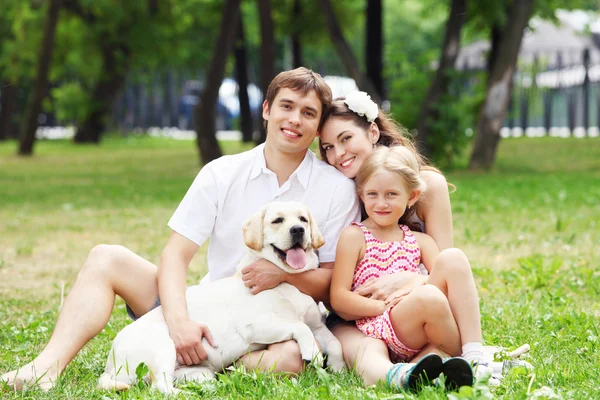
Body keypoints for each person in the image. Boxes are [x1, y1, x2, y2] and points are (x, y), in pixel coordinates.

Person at [1, 67, 361, 391]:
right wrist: (179, 322)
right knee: (106, 258)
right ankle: (45, 368)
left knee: (290, 360)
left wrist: (280, 276)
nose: (295, 119)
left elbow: (331, 281)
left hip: (275, 320)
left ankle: (209, 366)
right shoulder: (221, 173)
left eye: (308, 113)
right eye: (286, 106)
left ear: (317, 127)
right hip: (203, 307)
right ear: (267, 110)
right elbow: (176, 254)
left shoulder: (334, 188)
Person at [319, 92, 492, 387]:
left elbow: (447, 274)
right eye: (328, 148)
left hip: (420, 309)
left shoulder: (425, 189)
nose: (338, 154)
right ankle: (403, 375)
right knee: (367, 351)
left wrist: (411, 283)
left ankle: (471, 358)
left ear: (373, 131)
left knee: (443, 285)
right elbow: (339, 296)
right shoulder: (337, 194)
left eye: (346, 138)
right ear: (362, 195)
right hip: (361, 318)